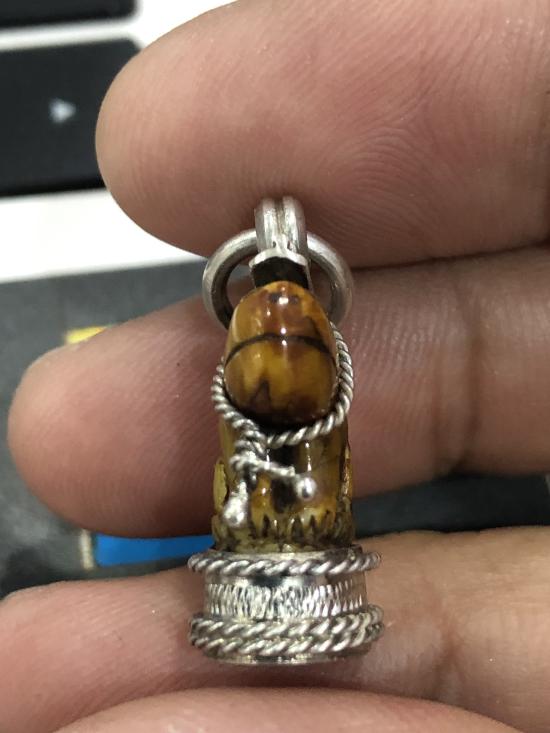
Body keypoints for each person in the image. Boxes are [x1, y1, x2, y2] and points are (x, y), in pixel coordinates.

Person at [4, 0, 549, 730]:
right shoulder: (258, 379)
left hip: (304, 522)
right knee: (254, 489)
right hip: (259, 527)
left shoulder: (302, 378)